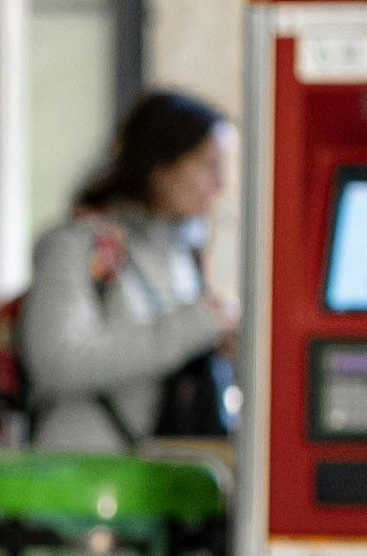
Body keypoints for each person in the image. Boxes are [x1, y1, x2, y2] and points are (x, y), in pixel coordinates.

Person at [23, 89, 238, 452]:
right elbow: (57, 360)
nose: (219, 185)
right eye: (207, 165)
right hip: (78, 483)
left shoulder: (184, 256)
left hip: (162, 483)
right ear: (162, 169)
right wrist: (192, 326)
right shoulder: (77, 246)